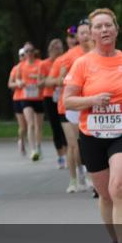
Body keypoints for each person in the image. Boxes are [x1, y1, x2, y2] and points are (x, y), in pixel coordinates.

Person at [63, 8, 122, 243]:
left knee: (118, 187)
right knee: (105, 194)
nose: (104, 30)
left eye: (108, 25)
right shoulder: (83, 64)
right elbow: (67, 100)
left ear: (116, 29)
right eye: (98, 27)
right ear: (91, 33)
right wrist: (91, 100)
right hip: (92, 136)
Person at [48, 19, 93, 193]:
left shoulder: (100, 53)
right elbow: (52, 80)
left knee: (88, 143)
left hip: (90, 104)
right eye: (81, 33)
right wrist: (62, 79)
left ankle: (89, 175)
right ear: (76, 36)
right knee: (73, 144)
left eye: (87, 32)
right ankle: (74, 180)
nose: (85, 36)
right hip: (69, 105)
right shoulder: (68, 57)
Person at [40, 38, 67, 169]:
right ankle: (60, 156)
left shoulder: (65, 61)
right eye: (55, 48)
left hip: (63, 96)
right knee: (55, 127)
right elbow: (41, 82)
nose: (58, 50)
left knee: (65, 126)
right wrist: (57, 80)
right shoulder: (44, 64)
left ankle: (68, 155)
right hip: (49, 97)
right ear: (50, 49)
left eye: (60, 47)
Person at [8, 49, 28, 157]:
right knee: (22, 126)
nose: (23, 57)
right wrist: (17, 84)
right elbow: (9, 84)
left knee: (30, 123)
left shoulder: (31, 66)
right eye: (21, 55)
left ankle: (32, 144)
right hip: (18, 98)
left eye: (25, 55)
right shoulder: (16, 68)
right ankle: (21, 141)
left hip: (29, 98)